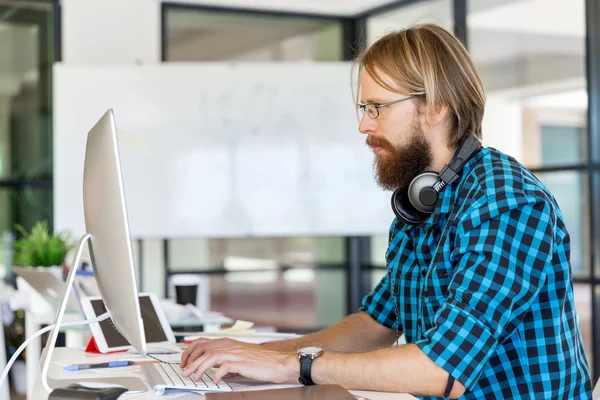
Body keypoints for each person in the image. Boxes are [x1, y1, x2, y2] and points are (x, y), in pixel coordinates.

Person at [179, 23, 593, 399]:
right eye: (364, 109)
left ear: (435, 106)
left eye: (378, 107)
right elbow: (376, 323)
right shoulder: (421, 202)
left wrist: (294, 366)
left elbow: (443, 370)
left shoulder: (508, 204)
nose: (364, 125)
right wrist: (257, 354)